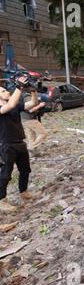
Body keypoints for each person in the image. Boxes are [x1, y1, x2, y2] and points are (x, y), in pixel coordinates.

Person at [0, 75, 40, 212]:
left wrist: (33, 90)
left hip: (20, 143)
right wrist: (19, 87)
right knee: (5, 174)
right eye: (3, 91)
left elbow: (33, 104)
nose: (6, 91)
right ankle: (2, 200)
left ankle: (23, 192)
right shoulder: (1, 108)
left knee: (25, 170)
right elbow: (9, 104)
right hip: (6, 145)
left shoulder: (15, 106)